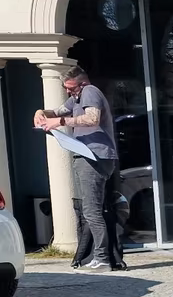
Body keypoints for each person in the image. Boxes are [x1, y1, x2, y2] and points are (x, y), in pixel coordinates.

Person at [34, 65, 122, 272]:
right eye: (65, 88)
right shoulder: (76, 97)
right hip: (86, 155)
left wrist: (59, 122)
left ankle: (102, 259)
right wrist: (41, 113)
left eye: (71, 88)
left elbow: (92, 119)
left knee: (92, 210)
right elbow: (56, 111)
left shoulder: (90, 91)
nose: (68, 91)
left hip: (94, 157)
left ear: (82, 83)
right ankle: (97, 256)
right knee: (89, 210)